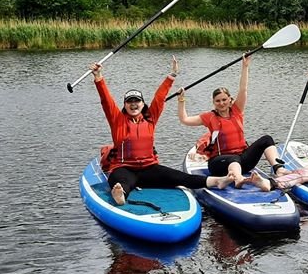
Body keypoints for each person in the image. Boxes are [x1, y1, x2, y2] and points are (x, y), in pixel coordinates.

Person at [90, 56, 234, 206]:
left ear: (142, 104)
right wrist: (99, 78)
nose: (133, 105)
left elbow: (159, 98)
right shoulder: (117, 120)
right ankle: (120, 193)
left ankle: (217, 181)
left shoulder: (150, 118)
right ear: (125, 105)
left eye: (137, 101)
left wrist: (172, 75)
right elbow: (106, 101)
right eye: (130, 102)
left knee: (180, 177)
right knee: (121, 179)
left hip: (149, 168)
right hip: (125, 168)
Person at [176, 54, 286, 191]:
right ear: (213, 103)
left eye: (224, 100)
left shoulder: (237, 110)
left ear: (230, 100)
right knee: (233, 159)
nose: (221, 103)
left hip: (242, 160)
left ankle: (278, 169)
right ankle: (239, 179)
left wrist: (245, 66)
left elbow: (243, 89)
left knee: (266, 139)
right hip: (219, 163)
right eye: (218, 101)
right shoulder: (209, 117)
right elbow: (184, 119)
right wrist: (181, 100)